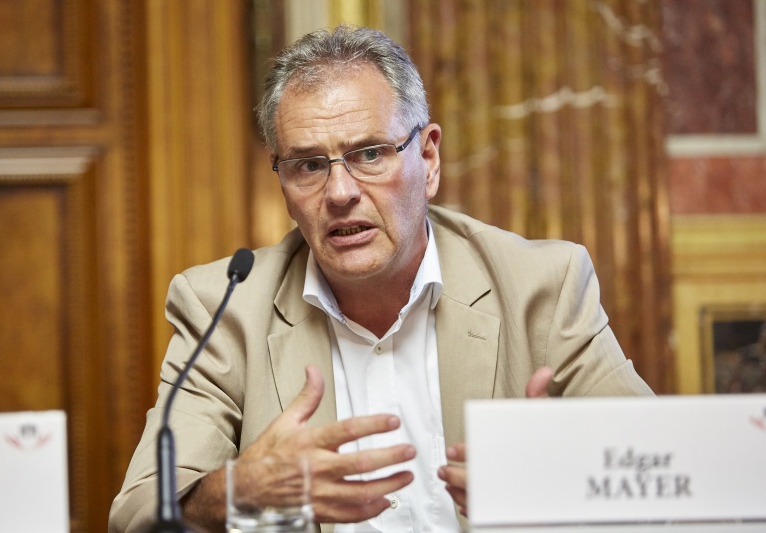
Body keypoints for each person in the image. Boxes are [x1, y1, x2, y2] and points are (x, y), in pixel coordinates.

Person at [109, 25, 653, 533]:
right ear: (282, 180)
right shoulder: (224, 309)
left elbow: (664, 476)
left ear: (429, 157)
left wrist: (568, 484)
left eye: (369, 154)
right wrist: (237, 492)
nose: (340, 192)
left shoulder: (542, 287)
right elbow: (135, 513)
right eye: (308, 165)